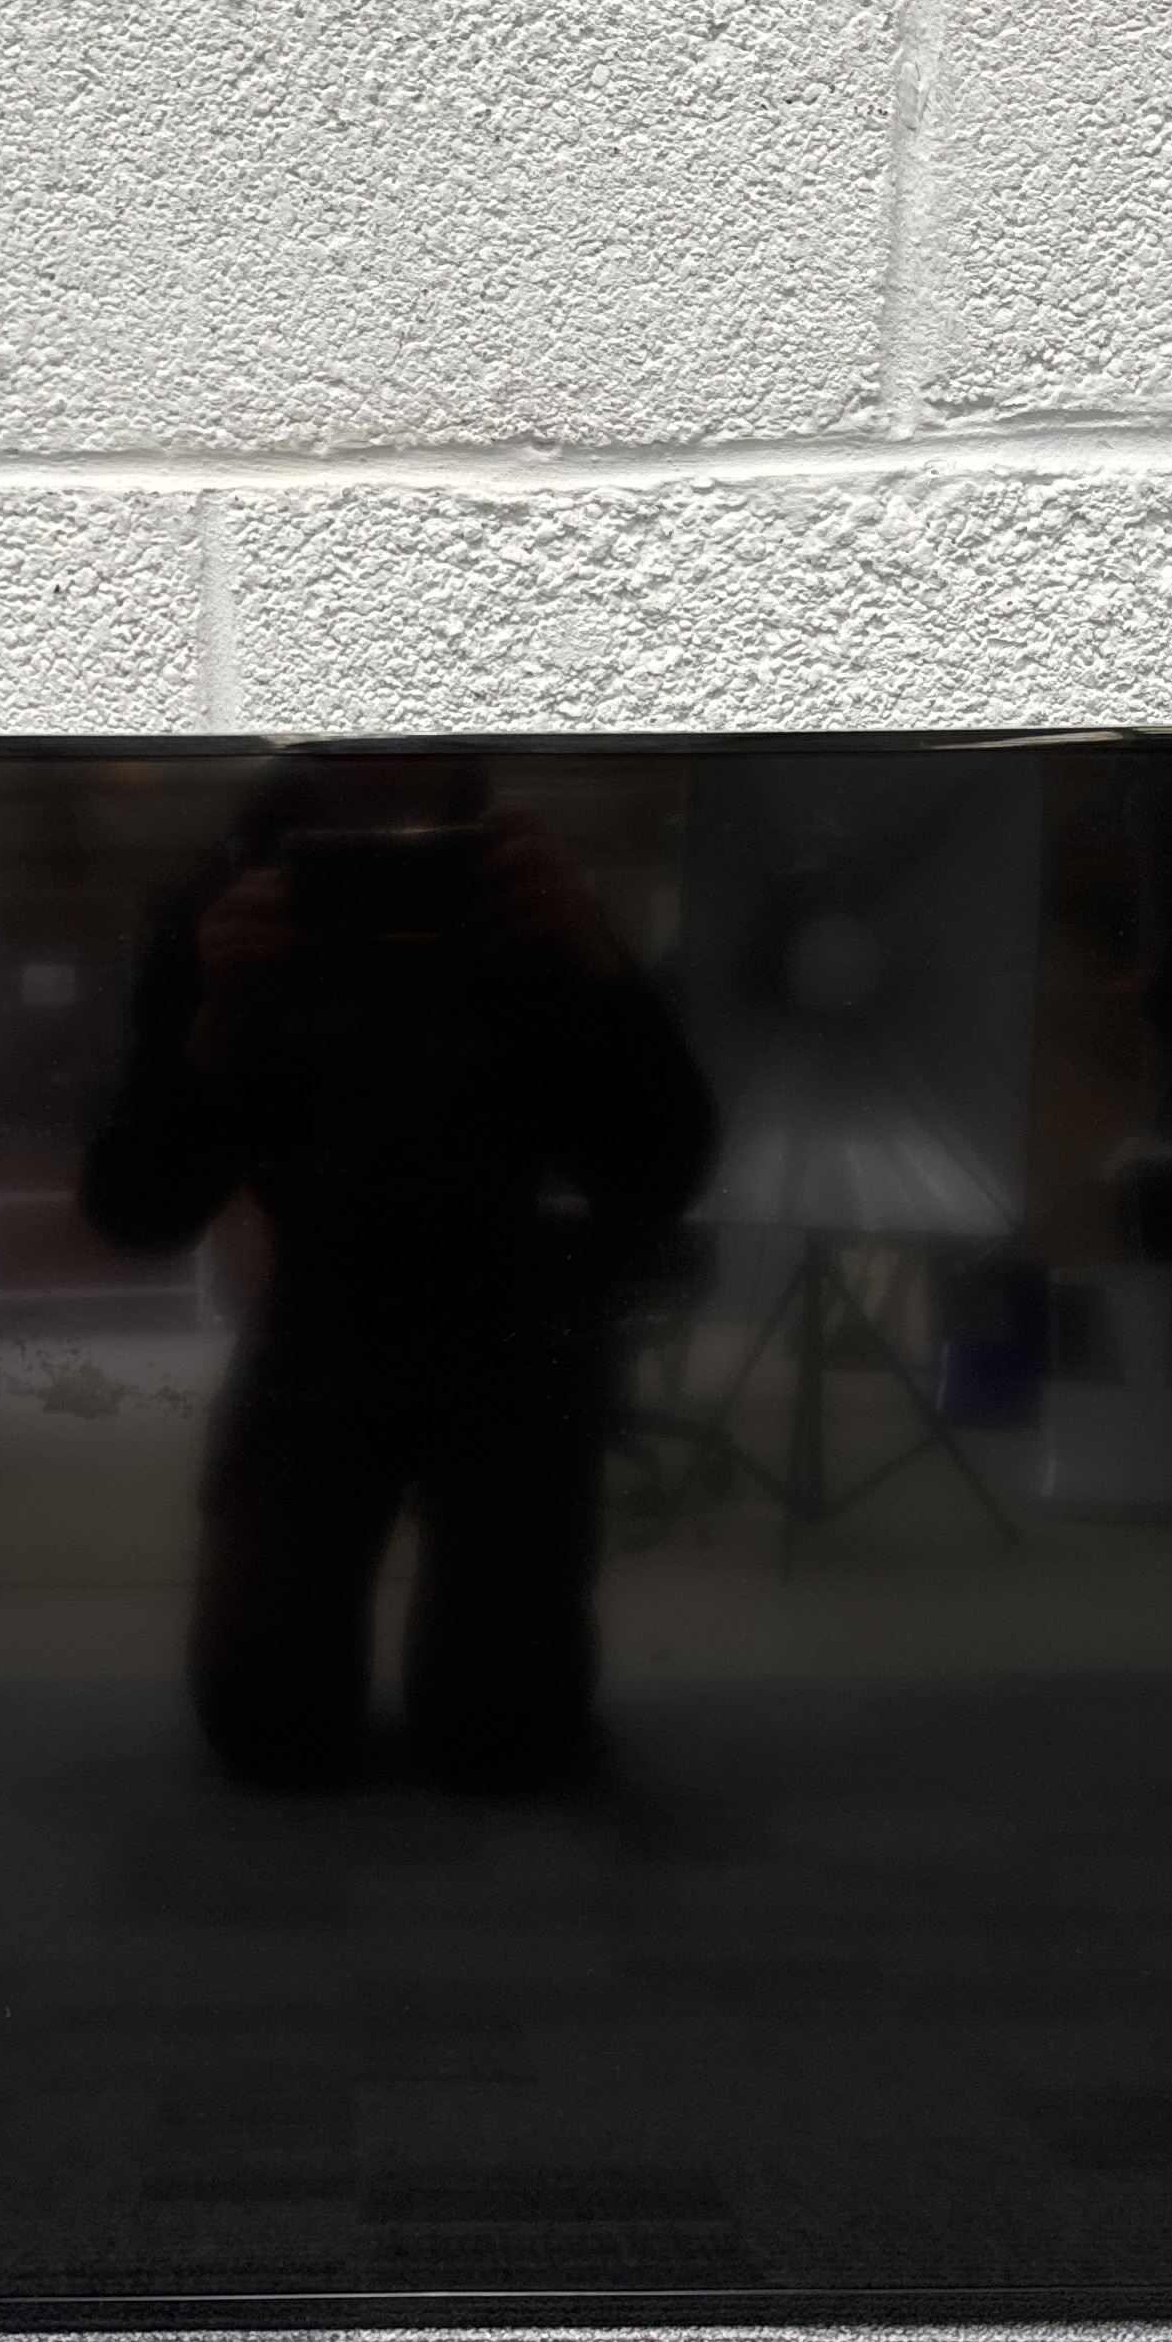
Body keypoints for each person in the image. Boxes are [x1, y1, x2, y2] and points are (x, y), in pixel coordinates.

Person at [81, 757, 718, 1787]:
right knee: (271, 1723)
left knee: (503, 1734)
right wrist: (213, 1029)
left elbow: (657, 1172)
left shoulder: (520, 902)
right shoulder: (242, 917)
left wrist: (597, 970)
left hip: (499, 1332)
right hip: (346, 1327)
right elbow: (136, 1211)